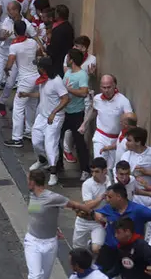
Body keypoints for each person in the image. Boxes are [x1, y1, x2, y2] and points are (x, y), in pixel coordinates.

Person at [22, 169, 80, 279]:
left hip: (49, 243)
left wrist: (91, 212)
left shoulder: (53, 197)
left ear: (33, 182)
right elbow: (36, 216)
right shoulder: (32, 195)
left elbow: (73, 205)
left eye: (28, 180)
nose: (27, 182)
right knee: (35, 276)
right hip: (32, 241)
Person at [78, 183, 151, 279]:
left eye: (110, 197)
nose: (107, 200)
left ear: (119, 197)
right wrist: (90, 213)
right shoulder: (107, 209)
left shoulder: (138, 210)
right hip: (110, 249)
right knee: (97, 276)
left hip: (130, 252)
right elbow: (86, 214)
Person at [0, 1, 35, 119]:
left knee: (10, 83)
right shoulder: (6, 21)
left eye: (10, 9)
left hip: (16, 57)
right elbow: (0, 35)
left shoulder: (26, 24)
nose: (8, 11)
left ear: (17, 11)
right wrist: (3, 37)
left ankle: (2, 101)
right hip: (4, 54)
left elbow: (34, 36)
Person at [22, 57, 69, 182]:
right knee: (36, 141)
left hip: (54, 118)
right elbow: (43, 94)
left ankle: (53, 172)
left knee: (50, 143)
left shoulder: (56, 81)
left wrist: (54, 113)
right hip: (42, 116)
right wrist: (27, 94)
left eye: (38, 67)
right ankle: (43, 160)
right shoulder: (44, 80)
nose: (37, 69)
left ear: (43, 69)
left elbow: (65, 98)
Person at [79, 74, 133, 176]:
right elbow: (93, 111)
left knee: (110, 169)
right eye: (104, 87)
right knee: (99, 165)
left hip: (116, 139)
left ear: (115, 86)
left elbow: (130, 120)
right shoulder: (97, 99)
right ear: (100, 87)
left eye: (109, 87)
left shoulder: (123, 101)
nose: (106, 90)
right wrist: (84, 124)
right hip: (100, 136)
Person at [4, 20, 44, 149]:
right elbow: (40, 52)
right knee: (31, 105)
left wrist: (6, 69)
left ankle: (17, 138)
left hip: (25, 80)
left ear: (15, 31)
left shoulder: (14, 46)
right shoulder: (32, 42)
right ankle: (29, 131)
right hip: (36, 76)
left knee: (18, 107)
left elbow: (10, 62)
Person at [56, 48, 90, 180]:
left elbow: (83, 92)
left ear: (72, 60)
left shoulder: (82, 75)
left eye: (68, 58)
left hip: (76, 114)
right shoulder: (68, 73)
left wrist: (68, 89)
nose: (66, 60)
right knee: (56, 138)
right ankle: (58, 165)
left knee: (79, 142)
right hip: (65, 112)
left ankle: (85, 169)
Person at [72, 157, 110, 254]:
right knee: (77, 249)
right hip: (84, 221)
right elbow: (88, 205)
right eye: (92, 171)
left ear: (104, 171)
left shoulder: (110, 182)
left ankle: (91, 245)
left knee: (96, 249)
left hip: (98, 222)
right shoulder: (87, 184)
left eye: (97, 171)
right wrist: (101, 198)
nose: (93, 174)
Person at [119, 127, 151, 209]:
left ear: (138, 142)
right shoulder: (125, 156)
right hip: (133, 199)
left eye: (129, 140)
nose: (126, 143)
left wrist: (148, 172)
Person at [45, 4, 73, 78]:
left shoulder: (59, 30)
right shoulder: (68, 26)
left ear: (58, 15)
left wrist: (48, 49)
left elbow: (55, 47)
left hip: (58, 60)